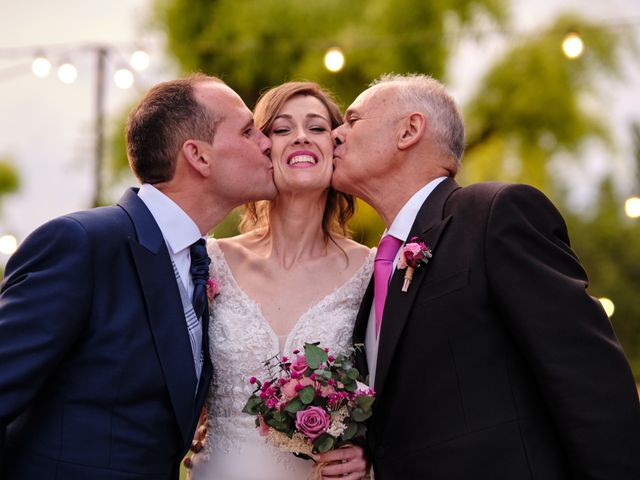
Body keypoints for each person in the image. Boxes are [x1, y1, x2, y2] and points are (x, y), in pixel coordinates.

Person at [331, 73, 640, 479]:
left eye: (353, 121)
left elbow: (587, 379)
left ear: (409, 130)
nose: (336, 134)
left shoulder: (494, 215)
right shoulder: (373, 274)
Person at [0, 74, 276, 479]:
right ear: (199, 157)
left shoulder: (204, 263)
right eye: (248, 131)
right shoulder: (83, 243)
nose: (266, 142)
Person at [190, 82, 371, 480]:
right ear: (263, 147)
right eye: (282, 128)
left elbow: (397, 387)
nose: (301, 136)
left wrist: (369, 452)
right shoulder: (210, 260)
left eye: (317, 128)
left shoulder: (371, 272)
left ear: (336, 147)